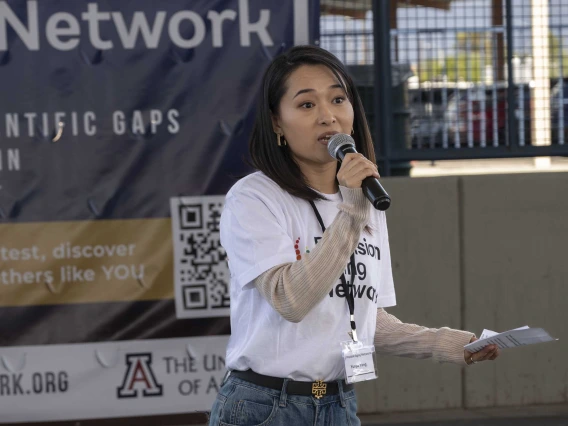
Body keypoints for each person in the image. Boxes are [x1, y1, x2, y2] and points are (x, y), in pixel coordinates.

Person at [209, 45, 500, 426]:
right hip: (266, 406)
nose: (328, 116)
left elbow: (364, 318)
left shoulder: (362, 197)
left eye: (337, 99)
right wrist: (351, 211)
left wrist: (446, 344)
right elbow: (290, 299)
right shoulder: (255, 198)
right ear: (277, 122)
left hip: (338, 404)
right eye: (307, 105)